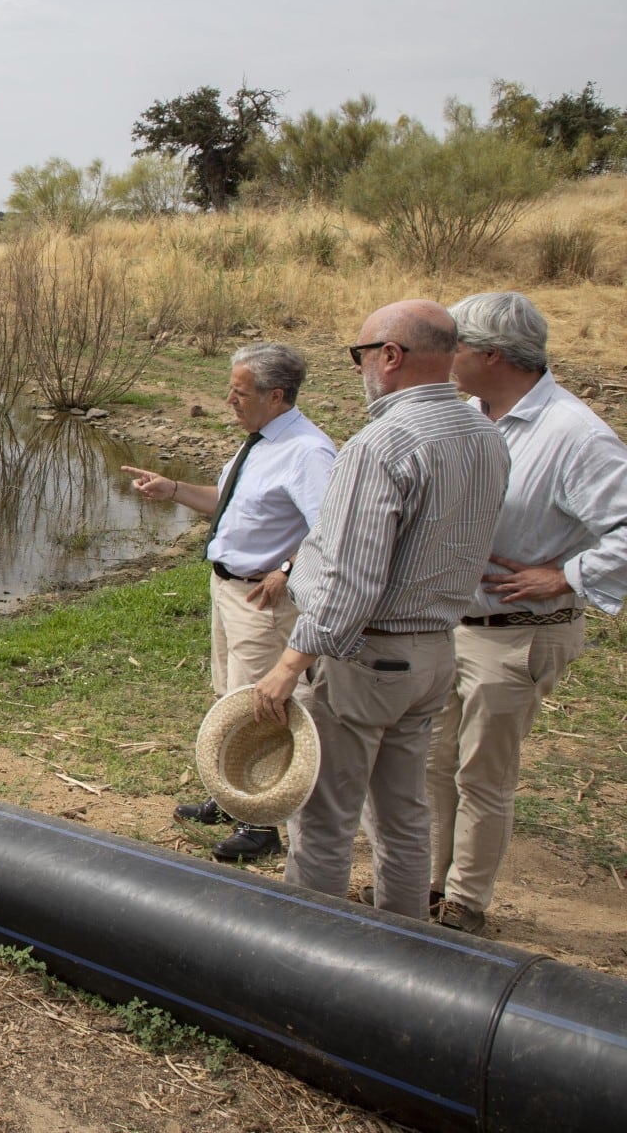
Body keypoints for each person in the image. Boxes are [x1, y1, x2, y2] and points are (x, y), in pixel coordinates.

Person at [253, 300, 507, 919]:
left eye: (360, 354)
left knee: (325, 818)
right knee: (402, 812)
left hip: (365, 655)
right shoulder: (485, 434)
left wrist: (290, 665)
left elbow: (349, 578)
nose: (360, 368)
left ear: (389, 357)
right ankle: (406, 942)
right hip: (433, 652)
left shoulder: (382, 443)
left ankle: (310, 953)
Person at [426, 292, 627, 935]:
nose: (443, 355)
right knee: (433, 761)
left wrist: (565, 576)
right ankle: (423, 884)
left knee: (483, 772)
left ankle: (464, 904)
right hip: (456, 624)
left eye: (452, 344)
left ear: (490, 354)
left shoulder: (575, 435)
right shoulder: (470, 414)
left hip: (517, 633)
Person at [122, 343, 335, 861]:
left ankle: (262, 823)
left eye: (239, 393)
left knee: (263, 706)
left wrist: (287, 570)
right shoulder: (258, 442)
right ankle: (234, 795)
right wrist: (172, 488)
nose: (228, 401)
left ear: (276, 396)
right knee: (231, 697)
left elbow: (333, 531)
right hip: (229, 589)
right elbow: (228, 503)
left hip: (262, 602)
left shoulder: (309, 452)